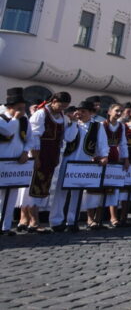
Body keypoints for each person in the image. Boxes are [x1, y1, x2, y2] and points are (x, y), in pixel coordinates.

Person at [51, 101, 109, 232]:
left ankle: (72, 221)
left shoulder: (97, 126)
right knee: (61, 191)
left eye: (83, 111)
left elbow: (102, 142)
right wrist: (73, 123)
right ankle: (56, 221)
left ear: (90, 113)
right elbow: (69, 138)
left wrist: (104, 155)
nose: (80, 114)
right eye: (79, 111)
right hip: (68, 160)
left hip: (84, 161)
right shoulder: (71, 123)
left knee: (77, 192)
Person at [24, 91, 71, 232]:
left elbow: (61, 139)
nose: (62, 109)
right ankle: (33, 221)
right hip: (40, 154)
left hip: (52, 155)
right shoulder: (41, 114)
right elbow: (34, 136)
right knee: (35, 186)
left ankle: (34, 219)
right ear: (54, 100)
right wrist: (36, 157)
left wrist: (56, 156)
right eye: (61, 106)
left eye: (65, 107)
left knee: (44, 186)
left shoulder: (62, 116)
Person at [92, 103, 129, 229]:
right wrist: (98, 156)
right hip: (102, 157)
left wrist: (125, 158)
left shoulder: (121, 126)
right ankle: (94, 219)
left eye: (121, 111)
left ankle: (113, 218)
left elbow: (123, 143)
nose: (119, 113)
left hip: (114, 157)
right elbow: (97, 142)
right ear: (109, 111)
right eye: (116, 111)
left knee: (113, 188)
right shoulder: (102, 125)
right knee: (98, 188)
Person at [0, 88, 31, 235]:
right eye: (20, 108)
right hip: (3, 161)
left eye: (24, 108)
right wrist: (15, 119)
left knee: (11, 195)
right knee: (0, 195)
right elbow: (7, 131)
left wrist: (26, 152)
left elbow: (30, 138)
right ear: (10, 108)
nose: (23, 111)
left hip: (17, 162)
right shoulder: (2, 118)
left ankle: (6, 226)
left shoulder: (24, 120)